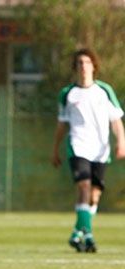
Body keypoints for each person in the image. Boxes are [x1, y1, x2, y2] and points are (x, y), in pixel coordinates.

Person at [52, 48, 125, 253]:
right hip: (78, 146)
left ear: (94, 66)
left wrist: (121, 142)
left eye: (87, 62)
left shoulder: (104, 91)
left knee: (94, 196)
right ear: (75, 68)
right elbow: (61, 125)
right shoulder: (67, 94)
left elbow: (116, 121)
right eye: (80, 63)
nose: (83, 66)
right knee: (83, 187)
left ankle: (78, 231)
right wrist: (55, 149)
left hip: (101, 150)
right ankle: (89, 234)